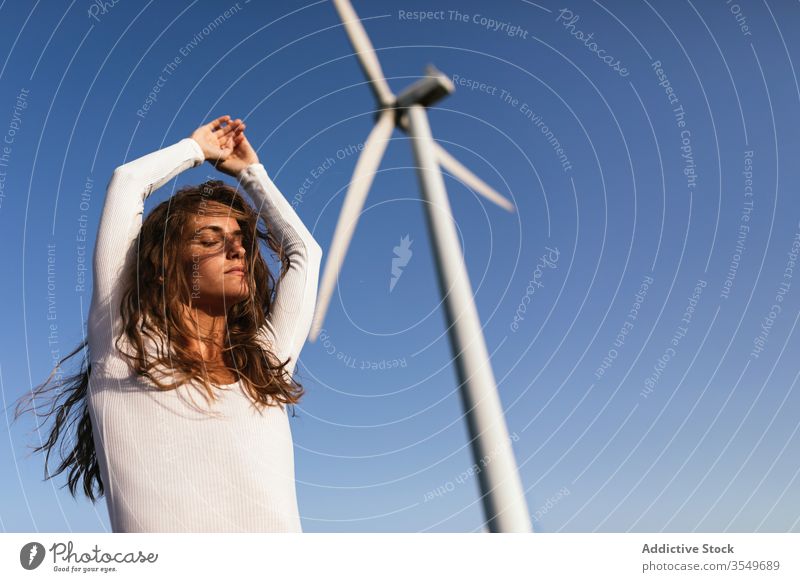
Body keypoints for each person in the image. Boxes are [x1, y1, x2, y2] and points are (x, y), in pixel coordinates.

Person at [14, 115, 323, 532]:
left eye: (240, 240)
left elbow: (305, 252)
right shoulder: (125, 346)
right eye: (210, 239)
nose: (236, 250)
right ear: (162, 267)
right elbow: (127, 182)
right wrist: (197, 149)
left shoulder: (263, 366)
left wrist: (252, 175)